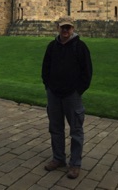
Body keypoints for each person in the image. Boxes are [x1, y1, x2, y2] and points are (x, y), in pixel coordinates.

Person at [42, 16, 93, 179]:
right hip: (54, 95)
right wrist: (49, 87)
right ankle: (58, 159)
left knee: (76, 130)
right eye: (63, 27)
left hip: (72, 96)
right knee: (55, 129)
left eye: (68, 28)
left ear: (73, 29)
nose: (65, 31)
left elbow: (87, 73)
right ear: (58, 28)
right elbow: (45, 69)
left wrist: (78, 91)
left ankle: (75, 164)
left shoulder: (80, 47)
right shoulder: (52, 46)